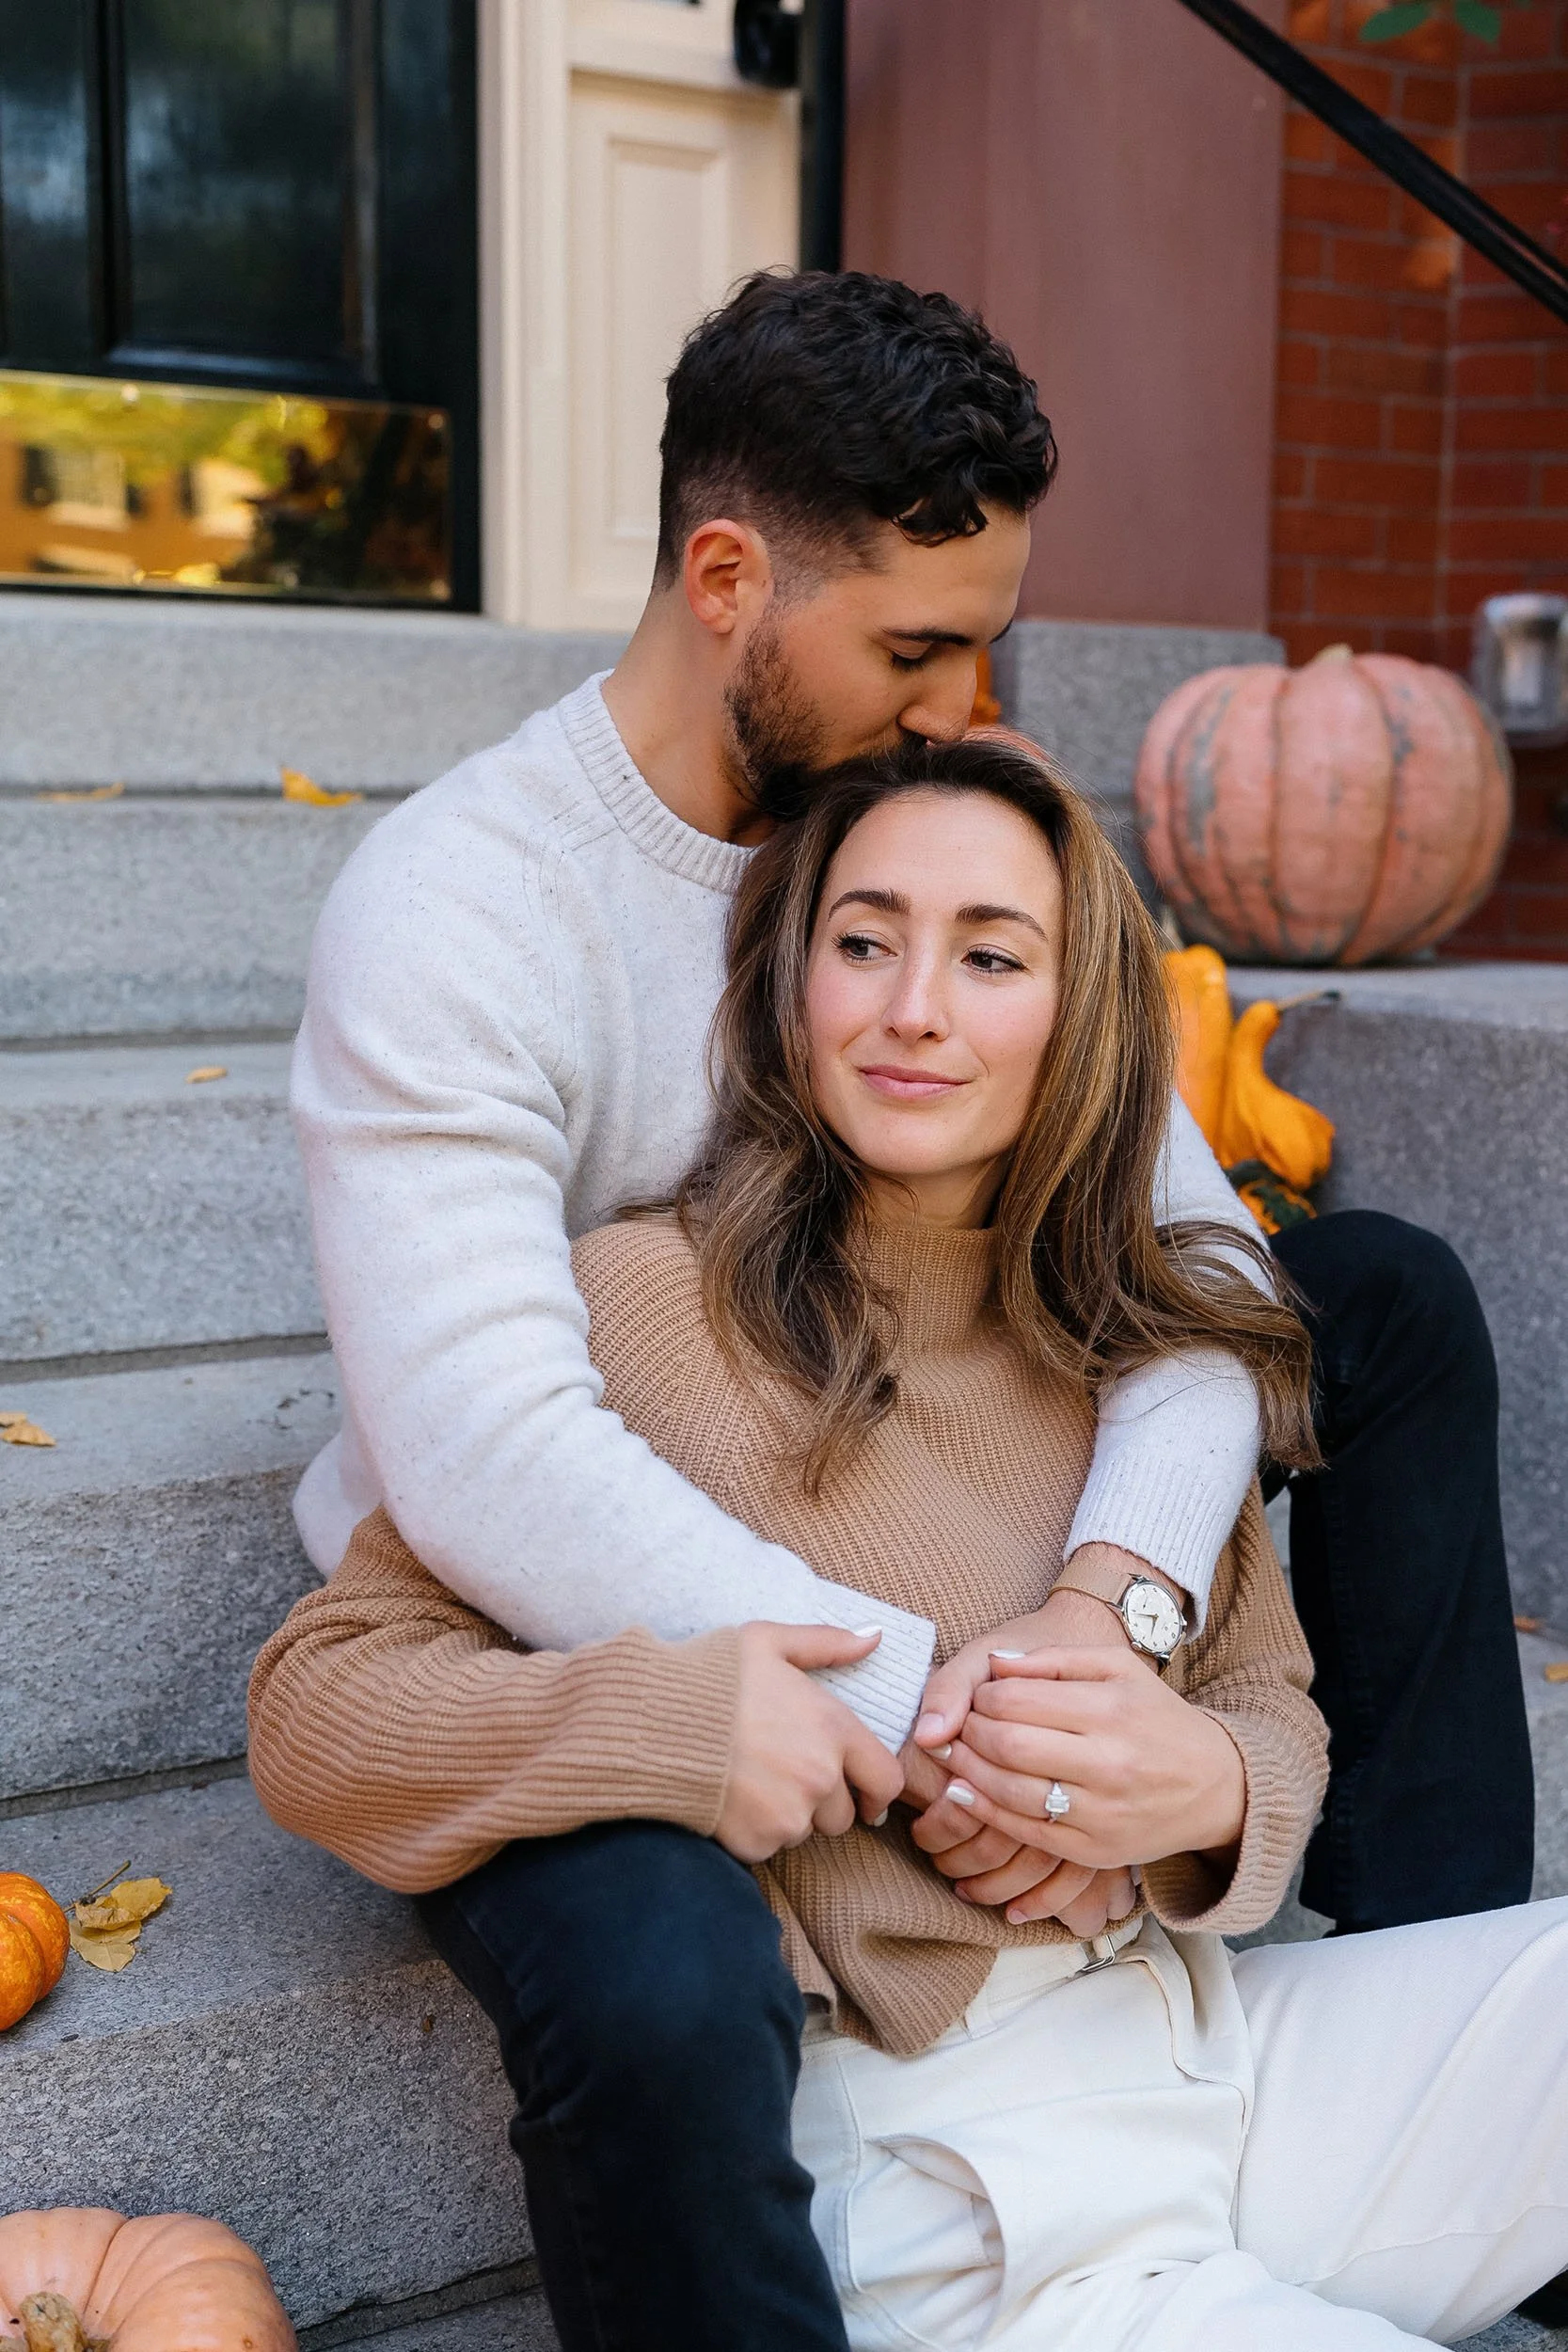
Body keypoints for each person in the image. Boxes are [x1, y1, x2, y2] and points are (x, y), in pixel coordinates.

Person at [260, 271, 1532, 2346]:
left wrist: (1108, 1612)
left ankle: (1389, 2015)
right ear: (729, 578)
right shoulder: (464, 906)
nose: (959, 707)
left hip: (937, 1436)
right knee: (657, 1948)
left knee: (1375, 1297)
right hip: (585, 1586)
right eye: (915, 648)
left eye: (981, 650)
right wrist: (927, 1705)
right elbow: (486, 1447)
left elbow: (1190, 1269)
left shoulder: (923, 822)